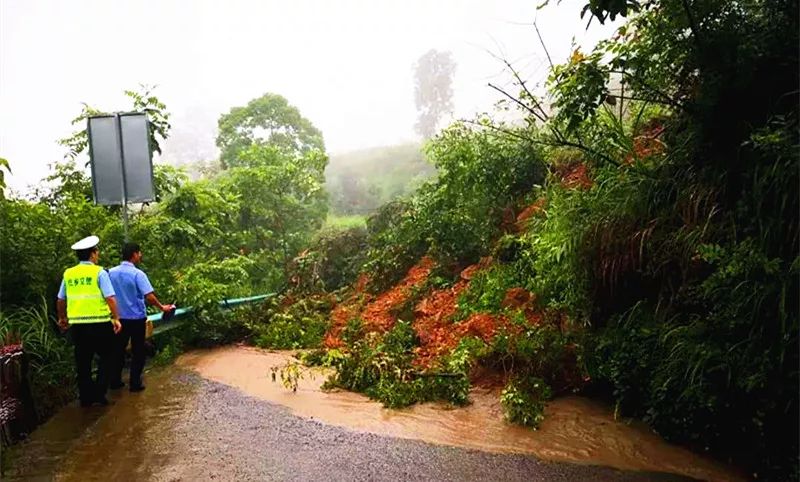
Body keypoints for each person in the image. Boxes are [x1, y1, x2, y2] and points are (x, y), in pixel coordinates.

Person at [56, 235, 122, 407]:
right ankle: (99, 394)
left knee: (83, 361)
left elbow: (61, 299)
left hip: (77, 326)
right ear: (93, 254)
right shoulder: (99, 272)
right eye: (96, 252)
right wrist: (116, 318)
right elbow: (110, 298)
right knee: (108, 357)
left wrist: (62, 318)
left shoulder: (69, 274)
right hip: (100, 323)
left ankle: (86, 397)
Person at [108, 242, 174, 392]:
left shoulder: (110, 273)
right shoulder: (138, 274)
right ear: (134, 254)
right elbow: (149, 297)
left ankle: (115, 381)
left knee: (118, 350)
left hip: (118, 318)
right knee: (138, 351)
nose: (140, 256)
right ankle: (135, 383)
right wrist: (162, 307)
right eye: (139, 253)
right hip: (136, 319)